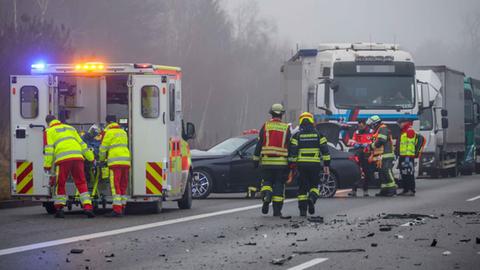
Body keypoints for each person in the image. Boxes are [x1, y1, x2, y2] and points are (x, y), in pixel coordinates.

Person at [43, 115, 95, 218]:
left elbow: (49, 150)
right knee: (81, 182)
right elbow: (82, 144)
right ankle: (88, 207)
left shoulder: (49, 131)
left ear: (48, 123)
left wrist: (47, 165)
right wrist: (91, 158)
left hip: (63, 159)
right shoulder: (70, 128)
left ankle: (60, 208)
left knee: (61, 183)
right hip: (77, 157)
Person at [253, 104, 291, 217]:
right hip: (281, 163)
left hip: (266, 162)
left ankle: (266, 195)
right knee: (279, 186)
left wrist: (255, 160)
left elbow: (259, 145)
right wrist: (291, 164)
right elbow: (289, 146)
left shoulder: (266, 126)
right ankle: (277, 211)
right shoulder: (286, 128)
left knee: (267, 182)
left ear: (271, 113)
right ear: (282, 114)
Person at [289, 112, 331, 216]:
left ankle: (303, 211)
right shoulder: (319, 135)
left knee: (302, 189)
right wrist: (326, 165)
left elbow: (293, 153)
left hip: (302, 166)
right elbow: (326, 151)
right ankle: (312, 198)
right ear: (312, 121)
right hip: (315, 165)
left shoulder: (297, 136)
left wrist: (291, 166)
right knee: (314, 186)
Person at [100, 115, 131, 217]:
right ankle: (123, 206)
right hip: (125, 161)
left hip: (115, 162)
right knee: (123, 184)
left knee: (115, 185)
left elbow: (103, 148)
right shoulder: (123, 132)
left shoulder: (108, 132)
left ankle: (117, 209)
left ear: (107, 122)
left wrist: (101, 159)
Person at [366, 115, 397, 197]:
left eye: (371, 125)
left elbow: (381, 141)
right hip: (380, 156)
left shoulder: (383, 129)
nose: (371, 127)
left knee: (386, 171)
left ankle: (392, 189)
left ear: (375, 124)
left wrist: (371, 146)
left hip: (386, 154)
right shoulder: (378, 130)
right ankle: (384, 190)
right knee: (381, 173)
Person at [348, 119, 374, 197]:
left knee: (367, 173)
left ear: (365, 124)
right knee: (356, 172)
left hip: (367, 155)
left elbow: (374, 141)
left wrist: (368, 144)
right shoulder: (357, 132)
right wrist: (356, 144)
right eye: (359, 126)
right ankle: (354, 190)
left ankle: (365, 190)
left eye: (361, 126)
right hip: (358, 154)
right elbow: (351, 141)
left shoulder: (371, 132)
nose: (360, 127)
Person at [396, 118, 417, 196]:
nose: (398, 126)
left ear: (403, 123)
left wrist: (408, 156)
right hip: (402, 155)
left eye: (399, 124)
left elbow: (410, 145)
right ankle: (405, 190)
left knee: (409, 174)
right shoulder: (403, 131)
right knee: (403, 173)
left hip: (408, 156)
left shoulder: (409, 131)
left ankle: (411, 190)